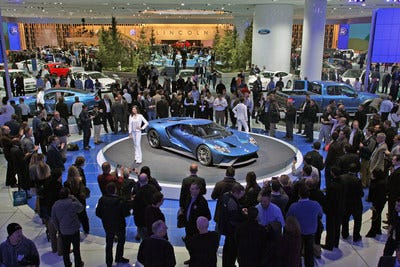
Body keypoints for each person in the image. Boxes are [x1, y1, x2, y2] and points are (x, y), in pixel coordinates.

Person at [287, 182, 323, 267]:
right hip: (311, 232)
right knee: (309, 253)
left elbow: (288, 217)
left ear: (299, 194)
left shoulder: (293, 206)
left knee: (297, 252)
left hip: (299, 233)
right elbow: (320, 214)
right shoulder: (316, 204)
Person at [96, 182, 130, 267]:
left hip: (107, 225)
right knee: (121, 241)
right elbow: (126, 213)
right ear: (115, 190)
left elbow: (98, 213)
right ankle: (119, 257)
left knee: (109, 243)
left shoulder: (102, 200)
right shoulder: (120, 201)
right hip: (120, 225)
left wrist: (105, 218)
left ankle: (109, 262)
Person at [51, 187, 85, 267]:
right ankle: (78, 263)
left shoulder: (55, 205)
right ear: (68, 194)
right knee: (76, 249)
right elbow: (81, 208)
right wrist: (74, 198)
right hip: (74, 230)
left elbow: (54, 219)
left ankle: (67, 264)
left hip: (63, 231)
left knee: (65, 250)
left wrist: (58, 229)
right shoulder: (72, 203)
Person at [180, 181, 211, 265]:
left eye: (193, 189)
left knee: (196, 247)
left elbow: (208, 216)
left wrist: (200, 225)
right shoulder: (188, 198)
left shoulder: (202, 202)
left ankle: (196, 261)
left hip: (196, 229)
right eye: (191, 189)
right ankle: (192, 258)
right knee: (189, 244)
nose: (191, 190)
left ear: (198, 190)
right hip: (188, 226)